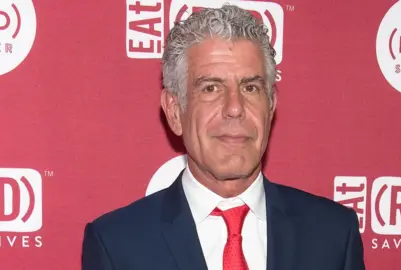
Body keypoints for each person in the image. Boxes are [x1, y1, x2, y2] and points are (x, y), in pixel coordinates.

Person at [81, 4, 365, 270]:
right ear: (174, 111)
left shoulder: (334, 235)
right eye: (211, 89)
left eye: (251, 88)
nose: (234, 108)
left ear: (271, 106)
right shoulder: (117, 245)